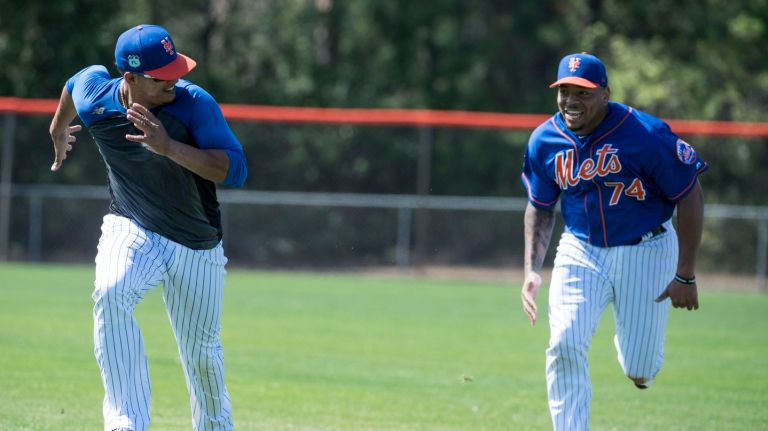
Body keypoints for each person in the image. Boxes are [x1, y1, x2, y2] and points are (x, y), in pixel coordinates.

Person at [48, 24, 247, 431]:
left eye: (176, 70)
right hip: (131, 224)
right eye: (161, 77)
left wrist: (168, 147)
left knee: (202, 355)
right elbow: (75, 83)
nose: (173, 80)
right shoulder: (97, 98)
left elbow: (236, 170)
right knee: (111, 292)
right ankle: (126, 423)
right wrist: (57, 127)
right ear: (130, 78)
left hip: (195, 244)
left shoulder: (193, 104)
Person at [519, 52, 707, 431]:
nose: (571, 100)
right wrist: (531, 270)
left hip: (647, 248)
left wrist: (685, 273)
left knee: (641, 368)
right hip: (580, 249)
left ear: (605, 94)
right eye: (564, 90)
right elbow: (540, 206)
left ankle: (634, 348)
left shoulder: (646, 134)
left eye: (583, 92)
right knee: (564, 342)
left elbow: (690, 194)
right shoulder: (545, 140)